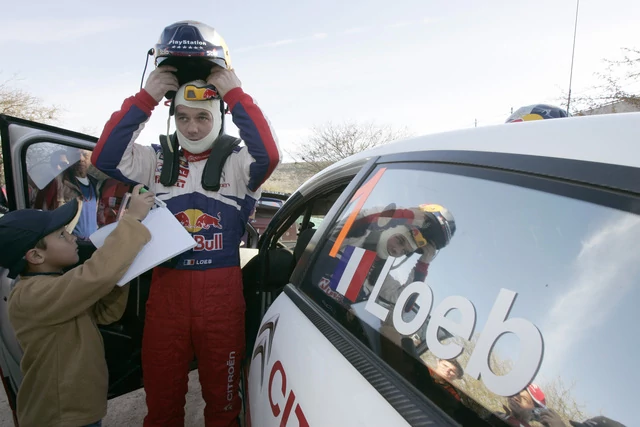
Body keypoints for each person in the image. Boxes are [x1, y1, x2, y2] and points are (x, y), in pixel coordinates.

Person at [91, 20, 280, 427]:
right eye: (182, 117)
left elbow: (270, 155)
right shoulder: (153, 160)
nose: (192, 127)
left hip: (222, 302)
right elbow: (104, 158)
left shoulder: (239, 161)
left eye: (202, 117)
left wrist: (236, 94)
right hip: (166, 297)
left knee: (224, 403)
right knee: (161, 403)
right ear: (171, 116)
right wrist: (147, 97)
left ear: (219, 115)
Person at [0, 185, 154, 427]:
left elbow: (105, 313)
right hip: (60, 415)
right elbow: (95, 276)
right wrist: (132, 220)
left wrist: (120, 272)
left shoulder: (55, 286)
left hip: (79, 408)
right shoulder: (31, 296)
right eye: (62, 235)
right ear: (35, 256)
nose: (72, 237)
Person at [35, 148, 100, 239]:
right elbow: (41, 214)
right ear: (69, 157)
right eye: (76, 155)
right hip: (69, 242)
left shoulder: (95, 184)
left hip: (92, 242)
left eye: (85, 155)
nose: (81, 158)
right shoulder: (57, 182)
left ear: (92, 159)